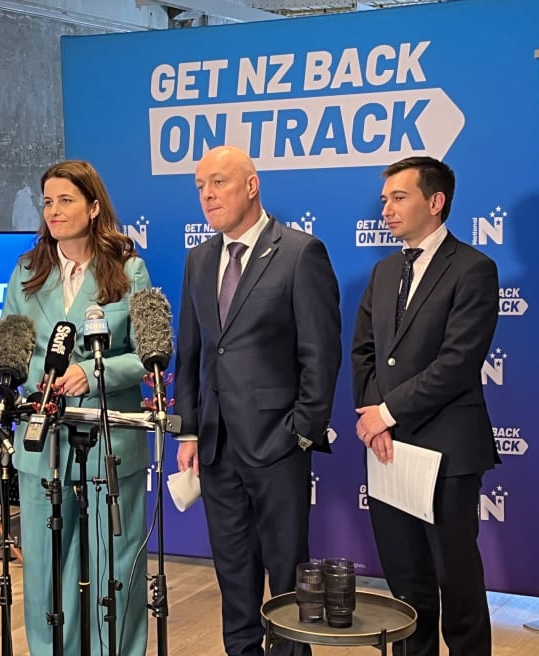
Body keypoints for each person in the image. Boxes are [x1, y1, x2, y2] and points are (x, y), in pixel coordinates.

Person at [174, 145, 342, 656]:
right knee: (233, 573)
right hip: (216, 446)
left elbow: (321, 352)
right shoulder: (199, 259)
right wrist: (187, 428)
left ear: (251, 185)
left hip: (278, 444)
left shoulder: (298, 252)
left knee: (288, 577)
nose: (207, 194)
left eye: (218, 182)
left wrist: (302, 431)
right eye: (201, 186)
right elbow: (192, 351)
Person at [350, 156, 499, 656]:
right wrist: (373, 419)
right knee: (406, 589)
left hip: (447, 455)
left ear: (435, 203)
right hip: (389, 450)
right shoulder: (384, 269)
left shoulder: (474, 269)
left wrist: (386, 413)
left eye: (399, 197)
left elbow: (457, 363)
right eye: (384, 200)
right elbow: (365, 351)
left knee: (456, 584)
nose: (387, 209)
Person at [2, 160, 151, 656]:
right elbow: (13, 346)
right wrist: (30, 378)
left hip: (109, 440)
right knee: (44, 569)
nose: (54, 211)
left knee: (115, 564)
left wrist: (92, 372)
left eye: (66, 200)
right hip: (43, 443)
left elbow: (146, 354)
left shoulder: (128, 268)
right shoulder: (26, 270)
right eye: (47, 201)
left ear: (93, 206)